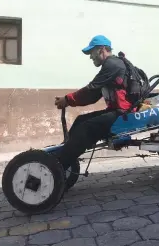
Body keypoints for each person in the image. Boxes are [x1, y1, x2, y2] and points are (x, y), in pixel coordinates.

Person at [55, 35, 133, 171]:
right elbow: (92, 97)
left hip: (123, 114)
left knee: (85, 128)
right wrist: (68, 101)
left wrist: (67, 100)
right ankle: (64, 157)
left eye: (91, 53)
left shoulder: (112, 64)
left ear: (101, 49)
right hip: (118, 111)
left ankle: (57, 167)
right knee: (80, 120)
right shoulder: (112, 65)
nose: (91, 57)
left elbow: (90, 90)